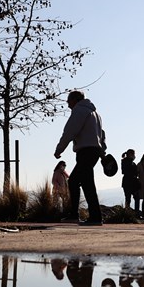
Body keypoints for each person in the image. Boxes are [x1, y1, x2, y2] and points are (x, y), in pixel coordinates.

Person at [54, 90, 106, 226]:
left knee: (77, 182)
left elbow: (70, 131)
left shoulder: (79, 111)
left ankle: (86, 216)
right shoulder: (96, 114)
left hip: (86, 151)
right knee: (83, 182)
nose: (68, 105)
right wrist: (102, 152)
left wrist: (59, 149)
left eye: (68, 101)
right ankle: (91, 216)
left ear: (75, 100)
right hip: (93, 151)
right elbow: (102, 135)